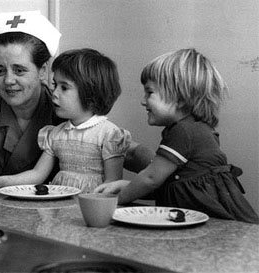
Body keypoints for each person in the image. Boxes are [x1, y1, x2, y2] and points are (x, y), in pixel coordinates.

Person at [0, 10, 153, 180]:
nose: (8, 81)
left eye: (19, 70)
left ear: (43, 70)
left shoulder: (66, 107)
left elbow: (123, 150)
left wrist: (173, 171)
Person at [95, 48, 259, 223]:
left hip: (215, 224)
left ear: (180, 98)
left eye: (149, 92)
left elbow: (151, 178)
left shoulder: (184, 132)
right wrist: (126, 186)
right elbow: (173, 184)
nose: (143, 100)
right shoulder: (193, 129)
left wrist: (115, 202)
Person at [0, 48, 131, 193]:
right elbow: (37, 174)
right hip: (60, 202)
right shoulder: (55, 134)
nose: (54, 93)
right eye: (55, 85)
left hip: (92, 202)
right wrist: (3, 181)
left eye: (64, 87)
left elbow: (112, 183)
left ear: (90, 93)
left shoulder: (108, 134)